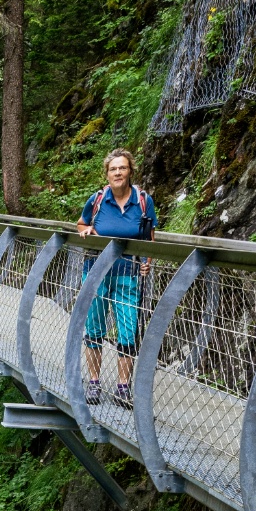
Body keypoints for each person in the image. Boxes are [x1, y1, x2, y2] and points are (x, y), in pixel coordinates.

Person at [76, 150, 156, 409]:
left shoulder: (143, 201)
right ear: (107, 174)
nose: (118, 173)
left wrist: (147, 262)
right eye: (113, 169)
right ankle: (94, 382)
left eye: (122, 168)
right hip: (96, 272)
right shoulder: (98, 199)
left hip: (128, 275)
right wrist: (86, 229)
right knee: (95, 328)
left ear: (130, 171)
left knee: (128, 330)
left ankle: (123, 388)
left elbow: (149, 237)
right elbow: (81, 224)